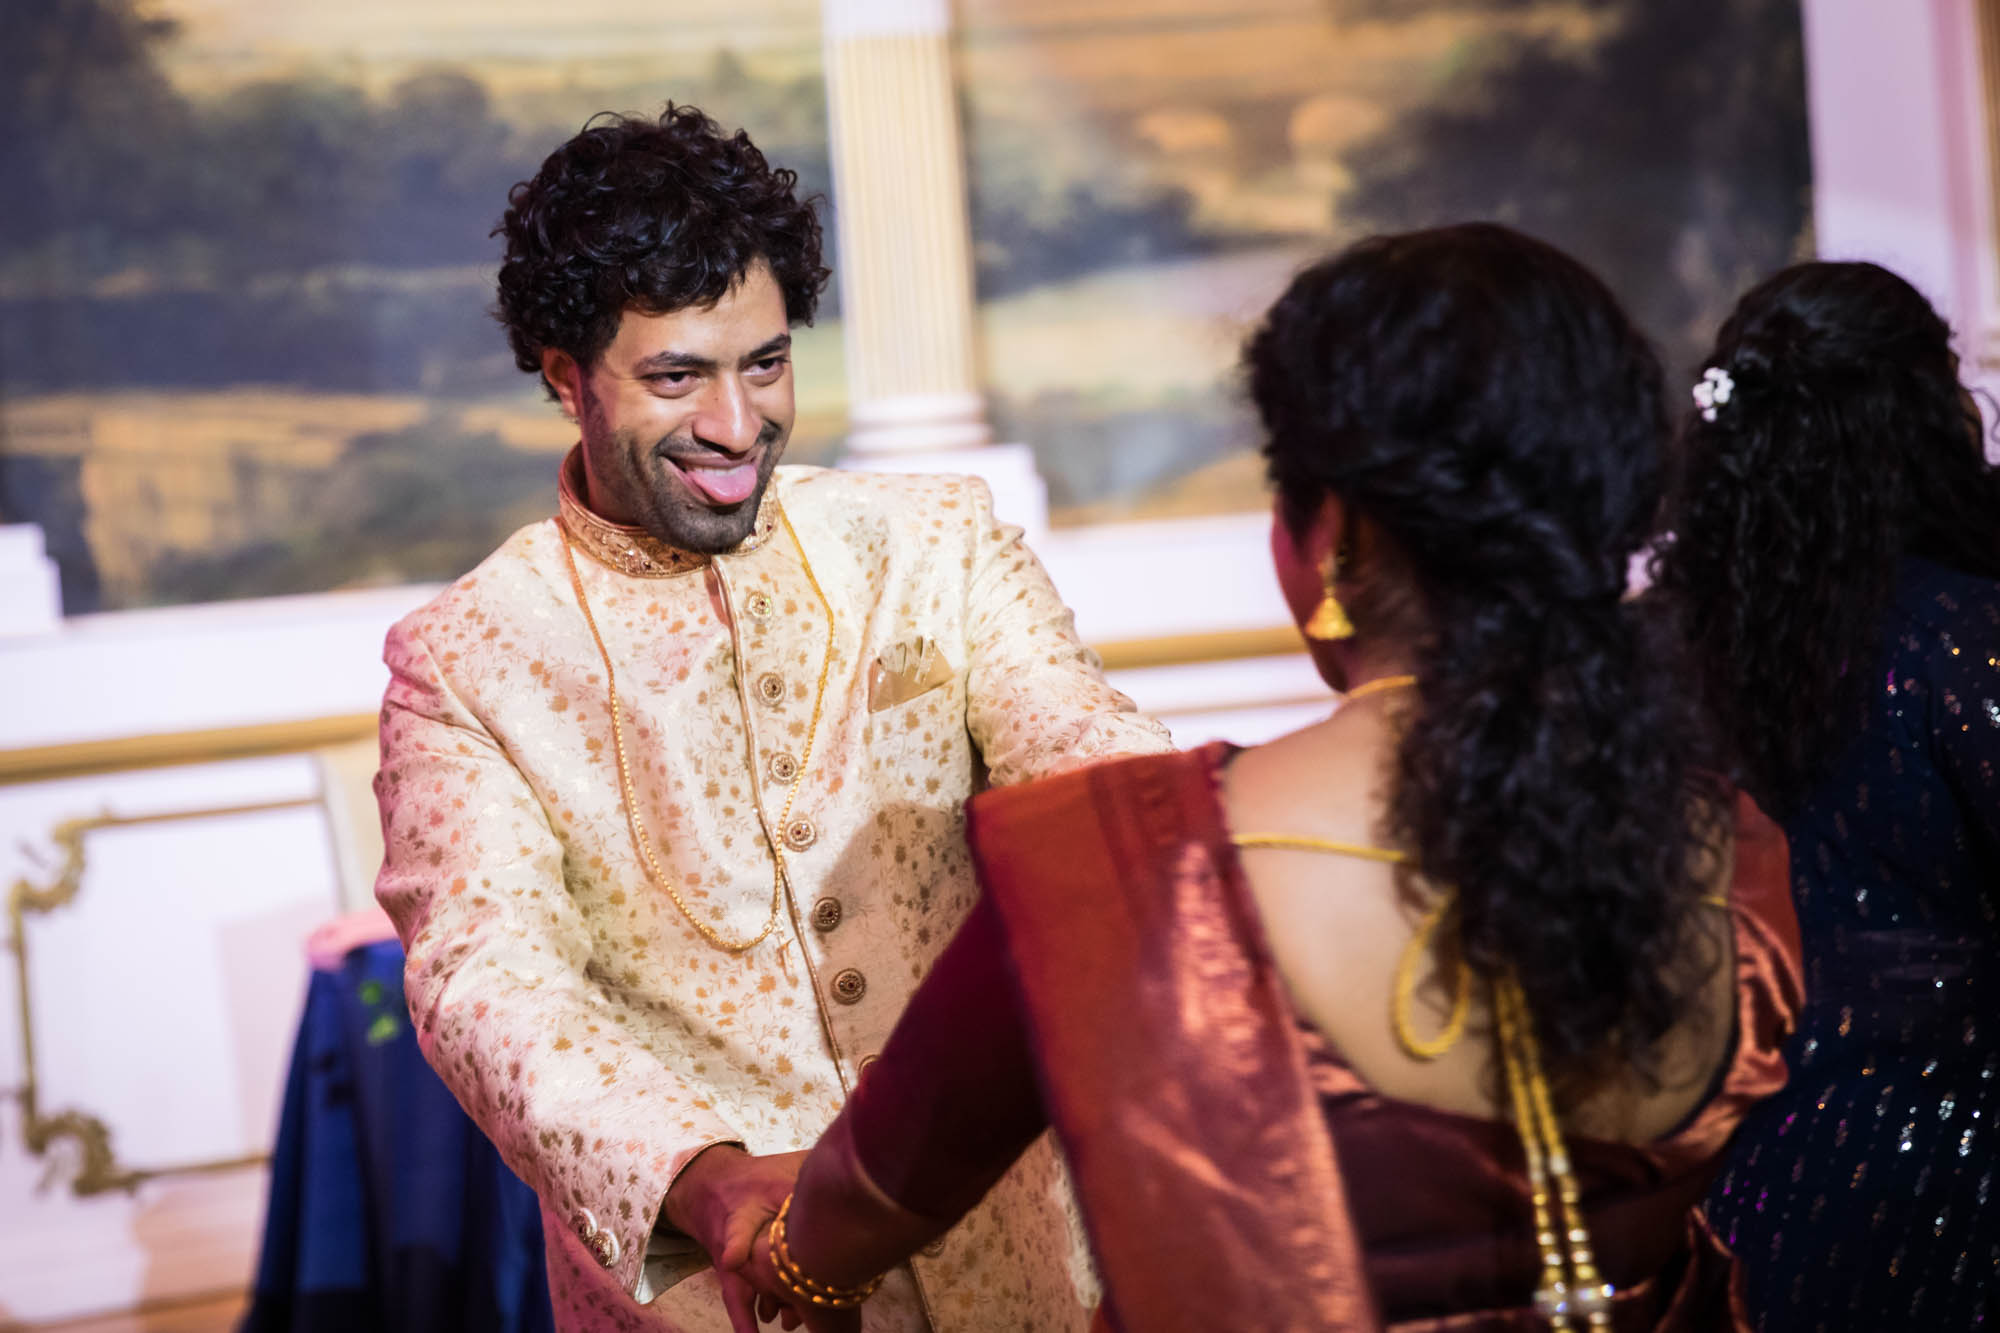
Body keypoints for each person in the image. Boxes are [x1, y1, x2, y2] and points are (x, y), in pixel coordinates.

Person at [728, 224, 1807, 1332]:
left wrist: (787, 1264)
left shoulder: (1118, 878)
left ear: (1330, 536)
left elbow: (858, 1206)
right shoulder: (1735, 850)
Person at [370, 104, 1172, 1333]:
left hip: (1021, 1257)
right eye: (676, 376)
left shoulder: (933, 544)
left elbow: (1089, 762)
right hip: (713, 1287)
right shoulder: (467, 658)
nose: (738, 428)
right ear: (564, 372)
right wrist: (704, 1174)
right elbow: (487, 982)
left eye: (765, 363)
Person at [1653, 262, 2000, 1329]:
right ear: (1921, 415)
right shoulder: (1963, 639)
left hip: (1727, 1195)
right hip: (1966, 1182)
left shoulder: (1635, 661)